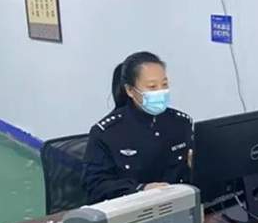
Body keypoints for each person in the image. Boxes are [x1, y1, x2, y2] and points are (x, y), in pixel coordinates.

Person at [82, 51, 193, 204]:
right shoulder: (107, 132)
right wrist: (141, 189)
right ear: (130, 90)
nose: (160, 91)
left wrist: (195, 166)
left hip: (177, 206)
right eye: (152, 87)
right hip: (131, 209)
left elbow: (187, 175)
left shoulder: (181, 123)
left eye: (164, 84)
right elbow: (95, 186)